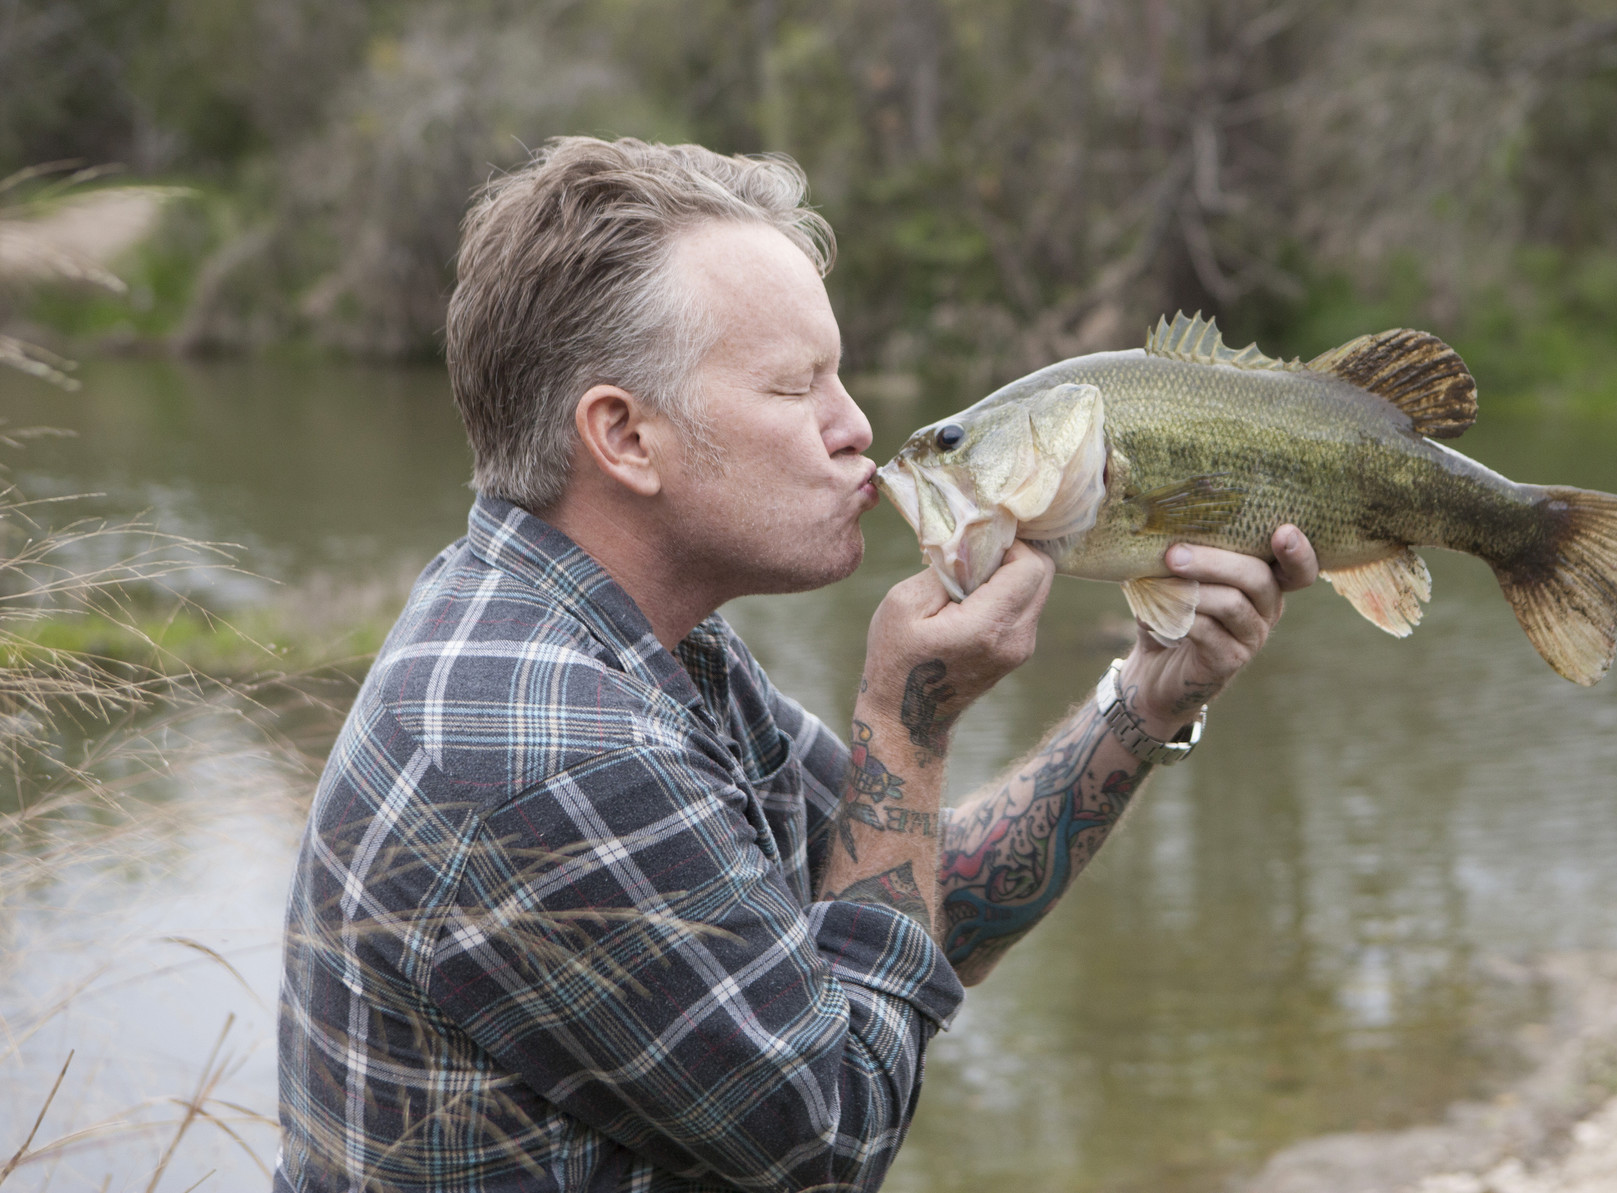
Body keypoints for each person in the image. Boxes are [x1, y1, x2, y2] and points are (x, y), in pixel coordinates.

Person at [274, 136, 1317, 1192]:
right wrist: (907, 724)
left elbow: (907, 897)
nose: (857, 425)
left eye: (841, 375)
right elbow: (832, 1134)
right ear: (626, 437)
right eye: (795, 386)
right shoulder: (554, 746)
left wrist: (1142, 701)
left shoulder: (639, 639)